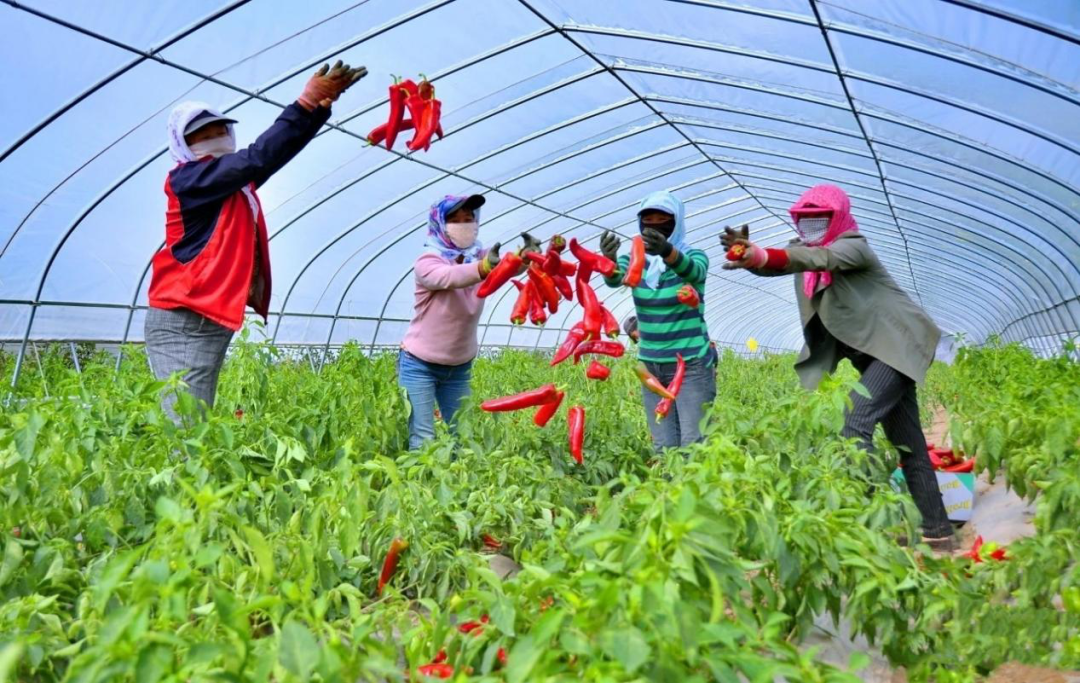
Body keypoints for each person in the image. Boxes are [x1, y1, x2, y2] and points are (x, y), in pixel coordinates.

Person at [721, 183, 954, 550]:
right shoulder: (805, 251)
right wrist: (753, 259)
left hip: (897, 347)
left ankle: (872, 525)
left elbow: (819, 259)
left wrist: (764, 255)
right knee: (908, 444)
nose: (813, 228)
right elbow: (788, 261)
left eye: (821, 219)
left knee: (854, 423)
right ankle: (938, 531)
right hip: (873, 354)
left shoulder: (852, 246)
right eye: (806, 220)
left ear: (839, 216)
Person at [145, 60, 366, 423]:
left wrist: (315, 112)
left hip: (205, 316)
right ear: (183, 145)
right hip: (183, 316)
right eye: (203, 135)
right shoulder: (189, 182)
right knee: (185, 428)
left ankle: (193, 478)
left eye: (220, 130)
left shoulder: (232, 185)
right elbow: (257, 157)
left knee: (194, 420)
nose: (216, 138)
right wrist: (303, 104)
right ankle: (182, 480)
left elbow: (270, 158)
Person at [398, 194, 539, 450]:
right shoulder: (428, 261)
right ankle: (418, 488)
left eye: (468, 219)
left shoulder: (481, 256)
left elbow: (505, 265)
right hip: (419, 364)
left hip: (459, 366)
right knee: (423, 437)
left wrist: (525, 257)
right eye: (455, 220)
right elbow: (449, 277)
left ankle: (455, 485)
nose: (464, 226)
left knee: (461, 436)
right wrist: (484, 267)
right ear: (440, 224)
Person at [600, 190, 715, 450]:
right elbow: (614, 279)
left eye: (663, 219)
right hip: (651, 366)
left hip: (692, 364)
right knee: (663, 446)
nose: (654, 225)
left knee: (693, 444)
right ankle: (666, 490)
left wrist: (667, 251)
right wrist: (607, 260)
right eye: (647, 219)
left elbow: (694, 271)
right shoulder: (634, 260)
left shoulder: (694, 255)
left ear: (677, 222)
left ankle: (694, 490)